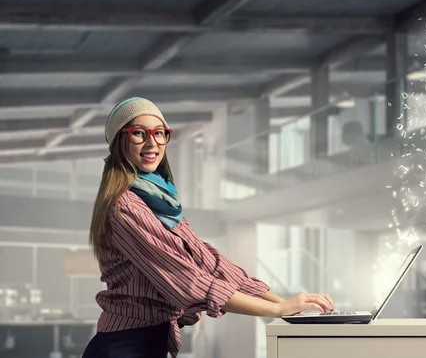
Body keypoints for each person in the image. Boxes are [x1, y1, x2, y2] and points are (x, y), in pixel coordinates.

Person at [82, 97, 335, 358]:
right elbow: (187, 279)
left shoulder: (161, 203)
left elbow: (211, 263)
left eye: (160, 133)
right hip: (123, 345)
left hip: (146, 343)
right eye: (138, 133)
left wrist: (286, 303)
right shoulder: (126, 206)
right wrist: (275, 311)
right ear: (119, 142)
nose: (152, 143)